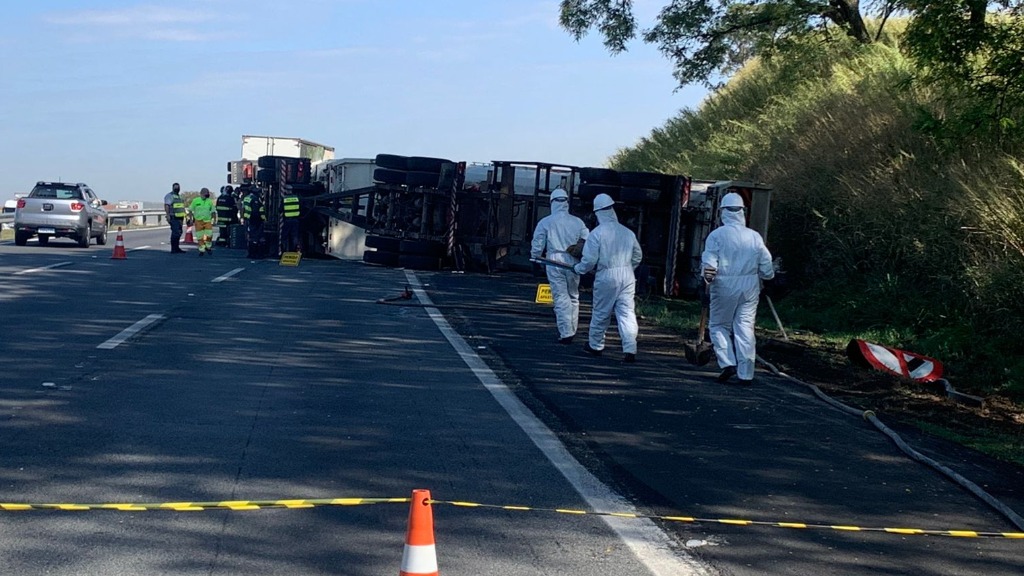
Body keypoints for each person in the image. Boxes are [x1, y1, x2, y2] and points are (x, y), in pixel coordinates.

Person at [700, 192, 775, 385]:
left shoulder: (717, 235)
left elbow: (710, 262)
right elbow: (766, 264)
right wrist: (767, 277)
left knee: (719, 325)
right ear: (742, 212)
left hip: (724, 284)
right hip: (750, 286)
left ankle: (727, 363)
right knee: (745, 328)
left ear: (722, 212)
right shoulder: (754, 236)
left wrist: (707, 280)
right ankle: (746, 374)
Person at [573, 193, 643, 363]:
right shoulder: (627, 232)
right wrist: (628, 268)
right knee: (626, 312)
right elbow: (637, 255)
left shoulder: (597, 234)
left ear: (597, 213)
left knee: (601, 312)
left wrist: (579, 269)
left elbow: (589, 260)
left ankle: (595, 345)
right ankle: (630, 348)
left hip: (607, 275)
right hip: (627, 275)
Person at [531, 188, 590, 344]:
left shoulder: (546, 222)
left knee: (560, 296)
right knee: (573, 296)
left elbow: (538, 243)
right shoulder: (578, 222)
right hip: (573, 260)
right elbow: (588, 240)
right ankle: (572, 329)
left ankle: (566, 332)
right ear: (566, 203)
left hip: (553, 260)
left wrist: (535, 258)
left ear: (552, 202)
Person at [189, 187, 216, 256]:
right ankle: (202, 249)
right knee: (199, 236)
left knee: (209, 234)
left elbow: (213, 211)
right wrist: (191, 219)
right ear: (201, 194)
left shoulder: (209, 201)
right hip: (198, 221)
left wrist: (214, 220)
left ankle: (208, 246)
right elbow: (190, 210)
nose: (205, 196)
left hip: (207, 221)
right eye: (204, 195)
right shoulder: (195, 201)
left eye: (207, 195)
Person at [241, 186, 266, 259]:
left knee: (250, 237)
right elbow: (257, 211)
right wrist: (263, 219)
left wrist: (243, 218)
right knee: (256, 237)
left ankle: (251, 253)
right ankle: (256, 254)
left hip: (247, 219)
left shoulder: (246, 198)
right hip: (254, 220)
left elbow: (243, 209)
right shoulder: (255, 199)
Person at [163, 182, 186, 253]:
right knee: (175, 232)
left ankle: (177, 248)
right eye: (175, 187)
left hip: (180, 217)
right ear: (173, 188)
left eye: (178, 187)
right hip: (173, 216)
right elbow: (167, 205)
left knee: (179, 232)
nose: (177, 189)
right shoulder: (170, 196)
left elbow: (182, 207)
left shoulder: (179, 196)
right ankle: (173, 249)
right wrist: (168, 215)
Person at [280, 188, 301, 254]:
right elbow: (300, 208)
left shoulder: (285, 199)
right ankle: (295, 251)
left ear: (286, 191)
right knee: (294, 236)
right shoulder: (296, 198)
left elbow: (280, 209)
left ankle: (283, 251)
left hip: (287, 221)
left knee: (284, 236)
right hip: (295, 220)